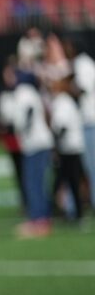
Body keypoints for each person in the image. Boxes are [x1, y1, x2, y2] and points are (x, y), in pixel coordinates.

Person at [11, 70, 55, 237]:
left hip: (34, 143)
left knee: (33, 182)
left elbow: (27, 113)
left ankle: (39, 220)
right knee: (37, 181)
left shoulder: (24, 92)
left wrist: (24, 130)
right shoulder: (33, 92)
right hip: (39, 141)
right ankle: (42, 218)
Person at [49, 75, 87, 221]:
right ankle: (73, 212)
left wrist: (56, 148)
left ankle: (73, 212)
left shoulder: (62, 102)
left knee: (68, 181)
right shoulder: (66, 101)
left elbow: (61, 127)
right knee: (71, 181)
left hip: (69, 148)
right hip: (72, 146)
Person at [64, 38, 95, 209]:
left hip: (91, 121)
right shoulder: (82, 63)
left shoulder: (83, 64)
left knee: (92, 166)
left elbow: (82, 88)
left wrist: (65, 87)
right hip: (88, 121)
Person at [0, 57, 28, 215]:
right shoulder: (4, 94)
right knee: (19, 169)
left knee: (30, 169)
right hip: (12, 137)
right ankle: (25, 199)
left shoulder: (25, 92)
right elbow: (2, 118)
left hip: (26, 136)